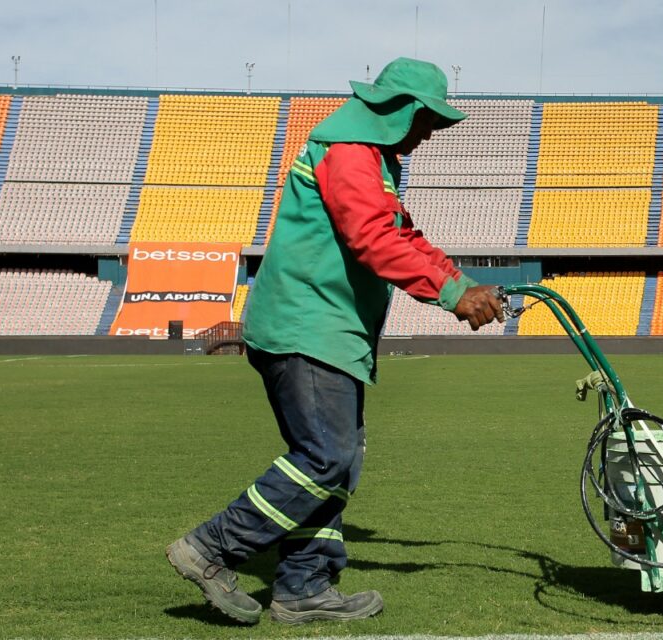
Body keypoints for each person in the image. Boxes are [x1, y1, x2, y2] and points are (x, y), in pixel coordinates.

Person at [166, 57, 503, 625]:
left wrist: (463, 284)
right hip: (307, 327)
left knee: (338, 464)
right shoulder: (348, 151)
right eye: (427, 122)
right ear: (402, 110)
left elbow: (401, 235)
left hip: (326, 331)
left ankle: (304, 587)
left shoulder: (370, 157)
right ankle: (211, 548)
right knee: (325, 457)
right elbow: (371, 239)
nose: (427, 136)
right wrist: (450, 293)